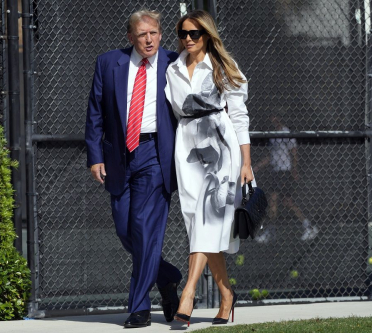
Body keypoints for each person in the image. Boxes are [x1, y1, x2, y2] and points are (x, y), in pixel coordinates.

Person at [85, 9, 182, 328]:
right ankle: (167, 277)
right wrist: (95, 155)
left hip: (156, 153)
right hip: (119, 157)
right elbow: (95, 113)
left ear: (160, 34)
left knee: (144, 227)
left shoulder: (174, 62)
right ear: (130, 37)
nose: (149, 39)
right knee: (126, 231)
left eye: (154, 32)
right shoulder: (108, 63)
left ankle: (139, 307)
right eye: (142, 34)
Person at [164, 10, 254, 326]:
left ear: (207, 35)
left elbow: (240, 116)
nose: (188, 39)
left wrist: (246, 162)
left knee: (208, 219)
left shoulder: (220, 67)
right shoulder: (172, 69)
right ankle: (226, 294)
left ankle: (188, 294)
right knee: (197, 222)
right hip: (186, 148)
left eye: (195, 34)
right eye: (183, 33)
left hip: (221, 148)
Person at [253, 115, 318, 243]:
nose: (272, 120)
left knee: (273, 200)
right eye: (271, 118)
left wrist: (294, 169)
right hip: (276, 172)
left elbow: (294, 152)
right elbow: (270, 157)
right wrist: (256, 168)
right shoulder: (272, 135)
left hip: (284, 172)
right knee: (286, 201)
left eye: (275, 118)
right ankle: (308, 226)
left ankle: (271, 231)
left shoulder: (285, 132)